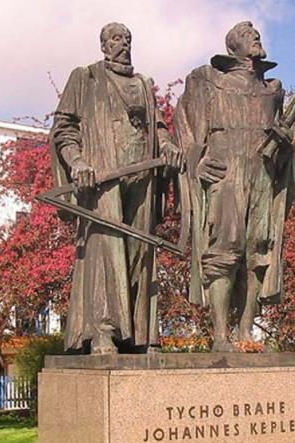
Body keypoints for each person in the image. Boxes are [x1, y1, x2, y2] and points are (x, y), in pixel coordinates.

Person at [50, 22, 182, 354]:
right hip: (103, 178)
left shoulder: (143, 83)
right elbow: (64, 128)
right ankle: (102, 331)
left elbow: (159, 127)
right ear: (103, 46)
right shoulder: (87, 77)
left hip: (143, 176)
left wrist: (166, 145)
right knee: (105, 250)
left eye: (126, 39)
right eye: (115, 39)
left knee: (141, 253)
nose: (122, 44)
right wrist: (77, 162)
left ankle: (140, 335)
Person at [174, 21, 295, 351]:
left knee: (259, 250)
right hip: (226, 174)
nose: (254, 37)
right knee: (225, 249)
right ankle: (220, 335)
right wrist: (195, 161)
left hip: (262, 176)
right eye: (246, 35)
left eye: (255, 34)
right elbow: (184, 125)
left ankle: (245, 331)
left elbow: (282, 144)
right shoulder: (208, 82)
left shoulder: (274, 90)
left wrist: (285, 145)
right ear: (232, 48)